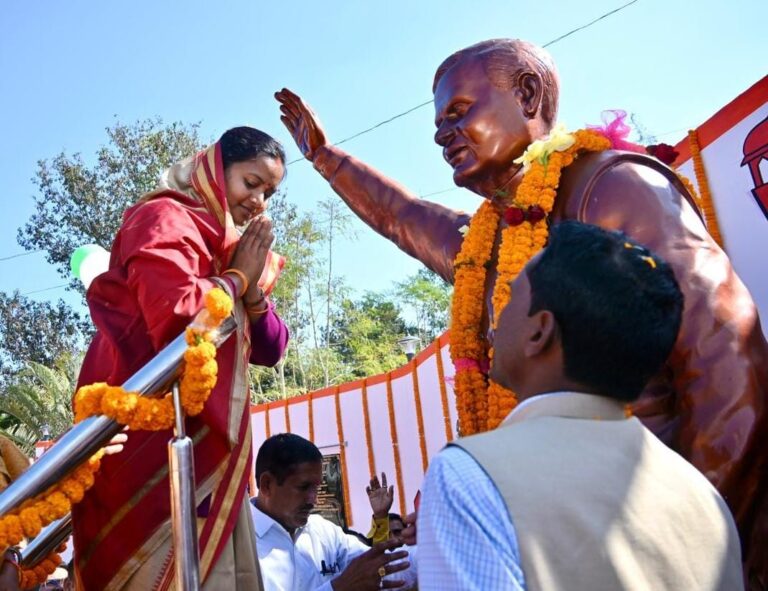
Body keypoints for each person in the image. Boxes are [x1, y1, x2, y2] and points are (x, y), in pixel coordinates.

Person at [276, 39, 768, 587]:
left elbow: (726, 359)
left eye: (459, 112)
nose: (441, 134)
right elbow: (402, 218)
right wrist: (325, 157)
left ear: (529, 94)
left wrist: (705, 552)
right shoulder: (489, 238)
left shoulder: (611, 186)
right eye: (438, 122)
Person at [417, 221, 743, 590]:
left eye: (508, 299)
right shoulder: (703, 497)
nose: (496, 318)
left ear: (539, 332)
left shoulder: (469, 476)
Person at [71, 126, 290, 590]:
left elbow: (272, 348)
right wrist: (234, 281)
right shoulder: (163, 219)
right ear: (214, 169)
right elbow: (174, 320)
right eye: (251, 184)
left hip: (212, 460)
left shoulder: (232, 248)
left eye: (269, 192)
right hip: (148, 450)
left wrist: (249, 291)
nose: (260, 202)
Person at [251, 433, 413, 590]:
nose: (313, 499)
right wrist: (338, 587)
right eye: (303, 487)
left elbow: (380, 569)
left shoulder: (323, 532)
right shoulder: (241, 545)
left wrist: (434, 543)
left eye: (316, 488)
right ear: (267, 485)